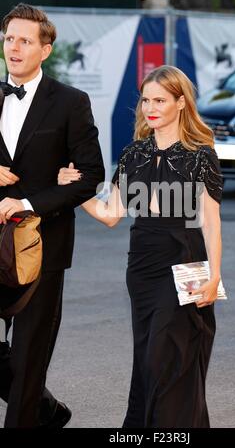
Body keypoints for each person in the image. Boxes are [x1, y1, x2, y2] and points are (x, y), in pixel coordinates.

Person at [59, 65, 223, 428]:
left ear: (181, 103)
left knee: (168, 356)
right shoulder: (133, 154)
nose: (150, 107)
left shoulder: (200, 154)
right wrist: (74, 189)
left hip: (185, 260)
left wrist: (215, 277)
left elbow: (211, 221)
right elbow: (110, 214)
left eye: (160, 100)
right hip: (142, 265)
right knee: (149, 356)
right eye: (146, 99)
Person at [0, 3, 104, 428]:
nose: (15, 47)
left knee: (28, 354)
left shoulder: (70, 103)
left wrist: (27, 204)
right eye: (9, 39)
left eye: (25, 40)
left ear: (45, 49)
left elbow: (90, 175)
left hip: (41, 248)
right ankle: (46, 410)